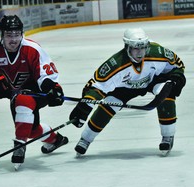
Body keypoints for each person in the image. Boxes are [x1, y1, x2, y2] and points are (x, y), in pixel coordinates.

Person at [69, 28, 186, 157]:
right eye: (136, 48)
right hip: (124, 88)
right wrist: (84, 107)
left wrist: (177, 78)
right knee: (110, 103)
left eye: (143, 48)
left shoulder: (157, 52)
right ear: (127, 47)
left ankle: (168, 136)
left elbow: (178, 65)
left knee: (166, 91)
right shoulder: (116, 64)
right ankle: (86, 139)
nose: (140, 52)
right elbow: (97, 86)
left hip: (153, 80)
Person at [0, 15, 68, 169]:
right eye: (9, 35)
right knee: (31, 129)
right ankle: (56, 140)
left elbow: (45, 74)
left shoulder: (32, 49)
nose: (14, 39)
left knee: (24, 101)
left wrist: (51, 88)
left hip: (36, 92)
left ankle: (19, 145)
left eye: (17, 34)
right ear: (1, 35)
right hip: (15, 96)